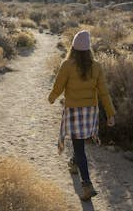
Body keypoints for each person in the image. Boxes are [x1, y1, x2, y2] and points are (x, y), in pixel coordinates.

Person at [48, 30, 116, 201]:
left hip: (74, 111)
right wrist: (110, 114)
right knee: (80, 143)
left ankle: (87, 184)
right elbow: (104, 93)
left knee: (79, 147)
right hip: (90, 112)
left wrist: (52, 98)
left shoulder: (67, 65)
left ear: (73, 48)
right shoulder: (97, 66)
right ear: (88, 49)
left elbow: (59, 86)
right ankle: (73, 163)